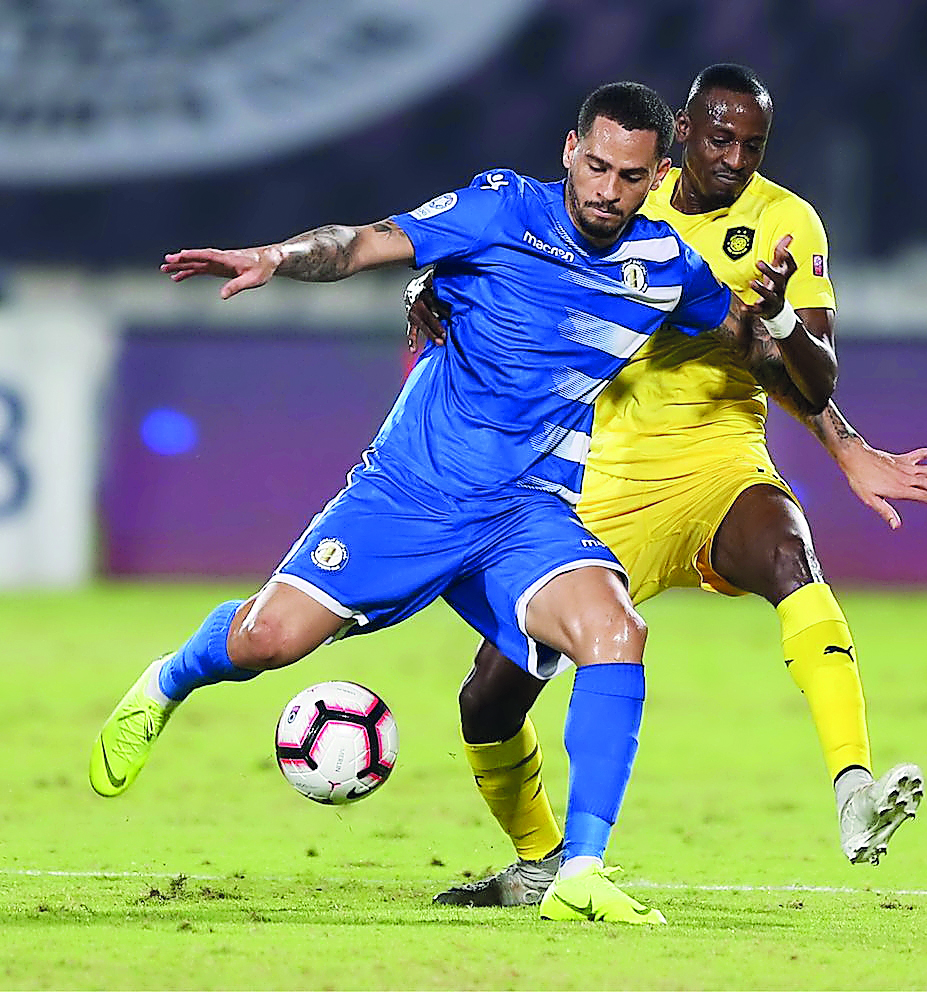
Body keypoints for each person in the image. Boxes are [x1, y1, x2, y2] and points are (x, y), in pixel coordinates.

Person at [88, 81, 834, 925]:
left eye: (628, 176)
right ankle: (167, 681)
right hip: (412, 492)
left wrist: (791, 342)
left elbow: (766, 353)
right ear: (568, 149)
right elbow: (362, 242)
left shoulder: (667, 266)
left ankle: (580, 870)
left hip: (526, 512)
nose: (604, 190)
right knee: (267, 640)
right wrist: (276, 259)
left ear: (656, 174)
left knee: (616, 631)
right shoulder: (498, 210)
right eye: (593, 165)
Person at [407, 65, 927, 909]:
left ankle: (854, 789)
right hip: (601, 478)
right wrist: (427, 289)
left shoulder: (785, 221)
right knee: (489, 697)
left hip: (719, 457)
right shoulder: (626, 194)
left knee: (788, 553)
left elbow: (805, 372)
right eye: (719, 139)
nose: (736, 158)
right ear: (682, 137)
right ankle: (537, 861)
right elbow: (514, 258)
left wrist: (799, 359)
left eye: (752, 144)